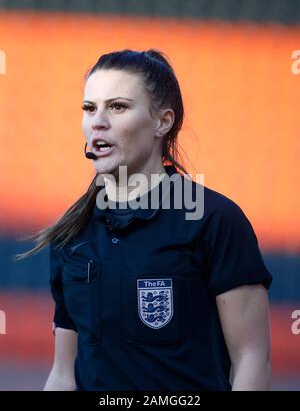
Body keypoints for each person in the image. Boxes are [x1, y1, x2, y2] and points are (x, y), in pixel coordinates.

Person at [16, 49, 272, 391]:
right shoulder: (71, 235)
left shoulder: (216, 221)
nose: (98, 122)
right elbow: (63, 373)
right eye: (90, 108)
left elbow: (251, 359)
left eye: (118, 106)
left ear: (162, 122)